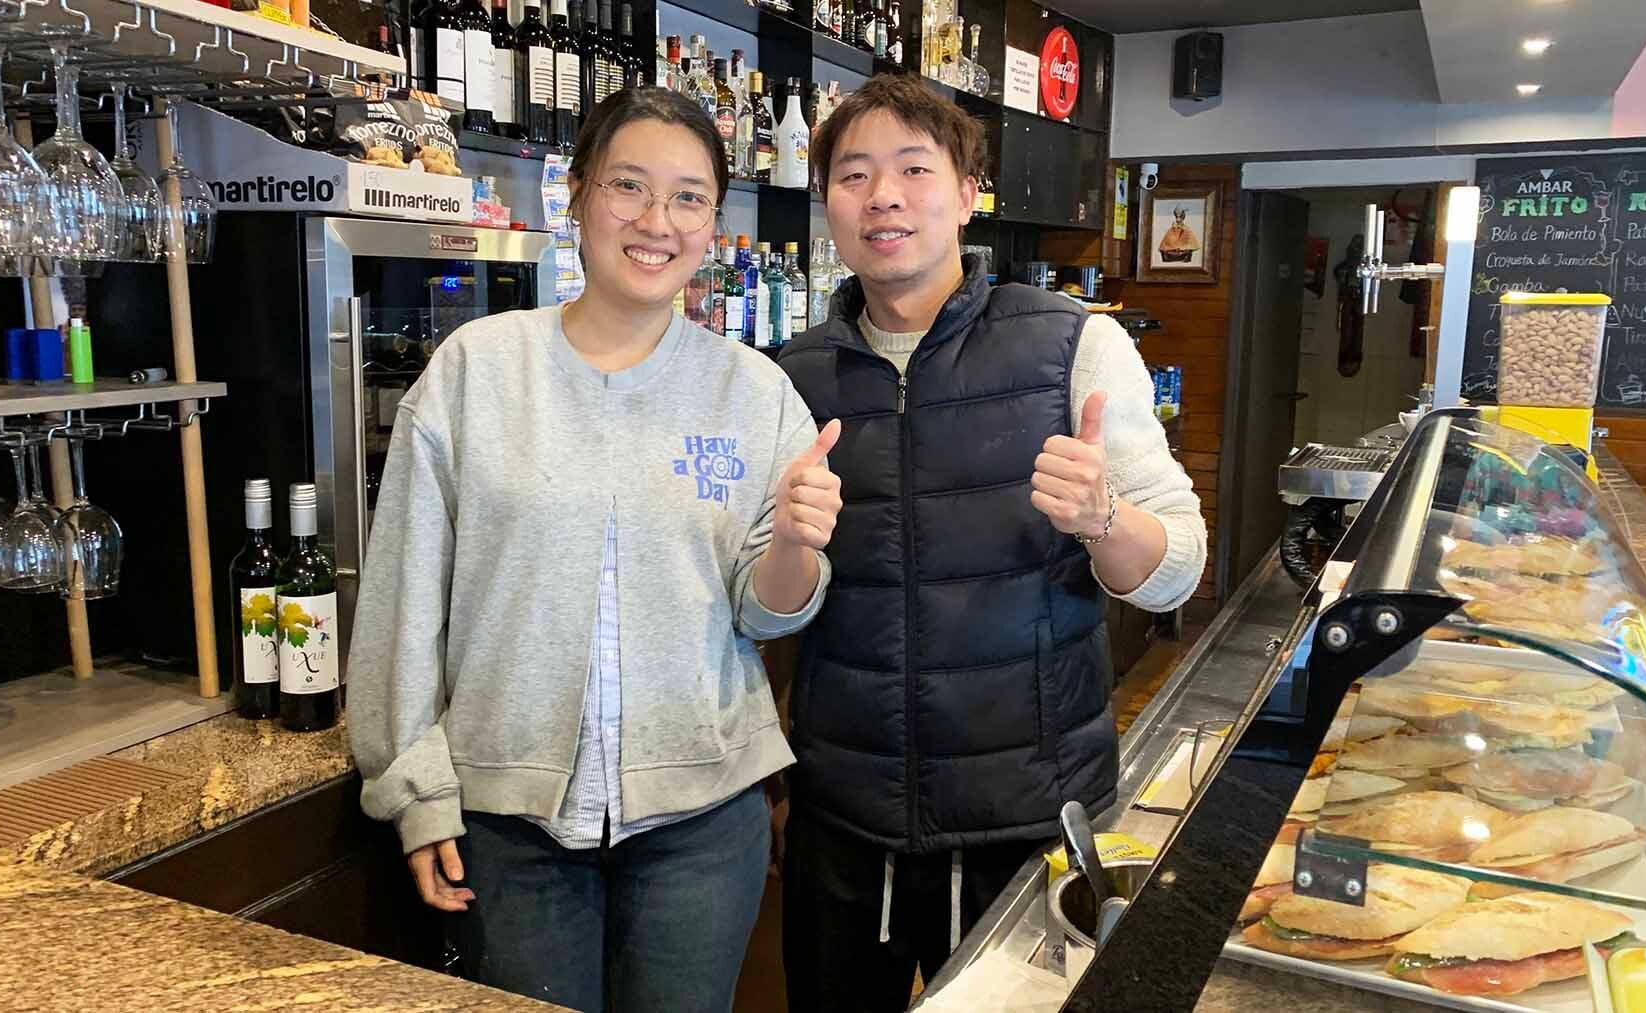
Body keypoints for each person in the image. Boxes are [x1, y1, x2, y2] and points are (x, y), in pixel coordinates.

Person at [346, 87, 843, 1013]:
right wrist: (412, 786)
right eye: (629, 186)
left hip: (702, 816)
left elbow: (767, 609)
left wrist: (801, 541)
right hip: (507, 822)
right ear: (574, 194)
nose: (657, 222)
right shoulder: (476, 372)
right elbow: (405, 598)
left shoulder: (754, 391)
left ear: (712, 221)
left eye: (691, 197)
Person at [776, 75, 1207, 1012]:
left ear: (969, 192)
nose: (883, 195)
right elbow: (774, 597)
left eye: (913, 169)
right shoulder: (794, 375)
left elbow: (1176, 567)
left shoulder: (1073, 347)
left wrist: (1101, 517)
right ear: (829, 207)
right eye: (853, 175)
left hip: (1029, 819)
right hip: (845, 822)